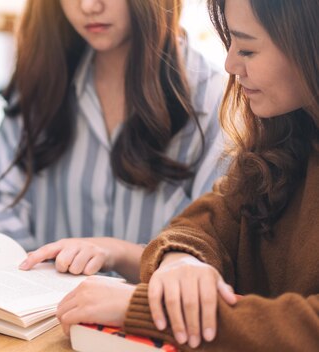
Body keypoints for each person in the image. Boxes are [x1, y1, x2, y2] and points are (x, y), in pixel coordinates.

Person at [0, 0, 226, 283]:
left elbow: (210, 253)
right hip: (43, 319)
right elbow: (4, 210)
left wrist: (115, 251)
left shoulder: (211, 97)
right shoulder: (42, 80)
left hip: (146, 326)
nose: (89, 6)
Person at [55, 0, 319, 349]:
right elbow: (206, 223)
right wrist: (182, 261)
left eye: (248, 49)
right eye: (231, 45)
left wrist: (147, 308)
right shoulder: (289, 138)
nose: (230, 64)